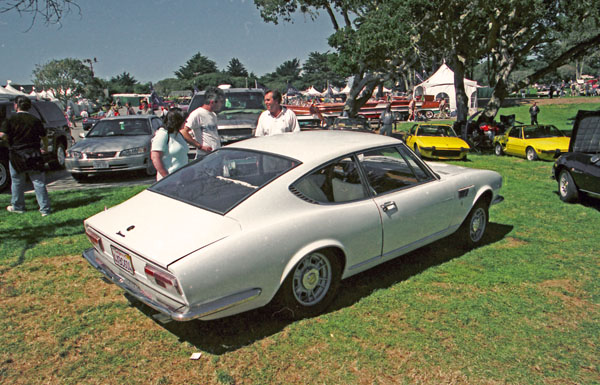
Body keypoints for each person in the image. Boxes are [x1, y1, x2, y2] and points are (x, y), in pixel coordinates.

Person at [0, 95, 51, 216]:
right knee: (38, 182)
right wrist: (44, 148)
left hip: (17, 155)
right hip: (34, 154)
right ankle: (45, 209)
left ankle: (18, 207)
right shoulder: (35, 120)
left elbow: (2, 135)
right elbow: (44, 137)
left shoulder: (10, 120)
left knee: (17, 181)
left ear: (16, 106)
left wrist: (7, 139)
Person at [180, 86, 224, 160]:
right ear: (212, 102)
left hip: (215, 154)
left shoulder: (213, 115)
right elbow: (183, 131)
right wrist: (200, 146)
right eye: (221, 102)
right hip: (204, 156)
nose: (221, 104)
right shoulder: (197, 114)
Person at [151, 108, 189, 180]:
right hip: (169, 179)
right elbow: (155, 158)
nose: (186, 122)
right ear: (177, 121)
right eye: (184, 120)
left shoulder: (178, 134)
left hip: (182, 178)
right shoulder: (163, 134)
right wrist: (167, 177)